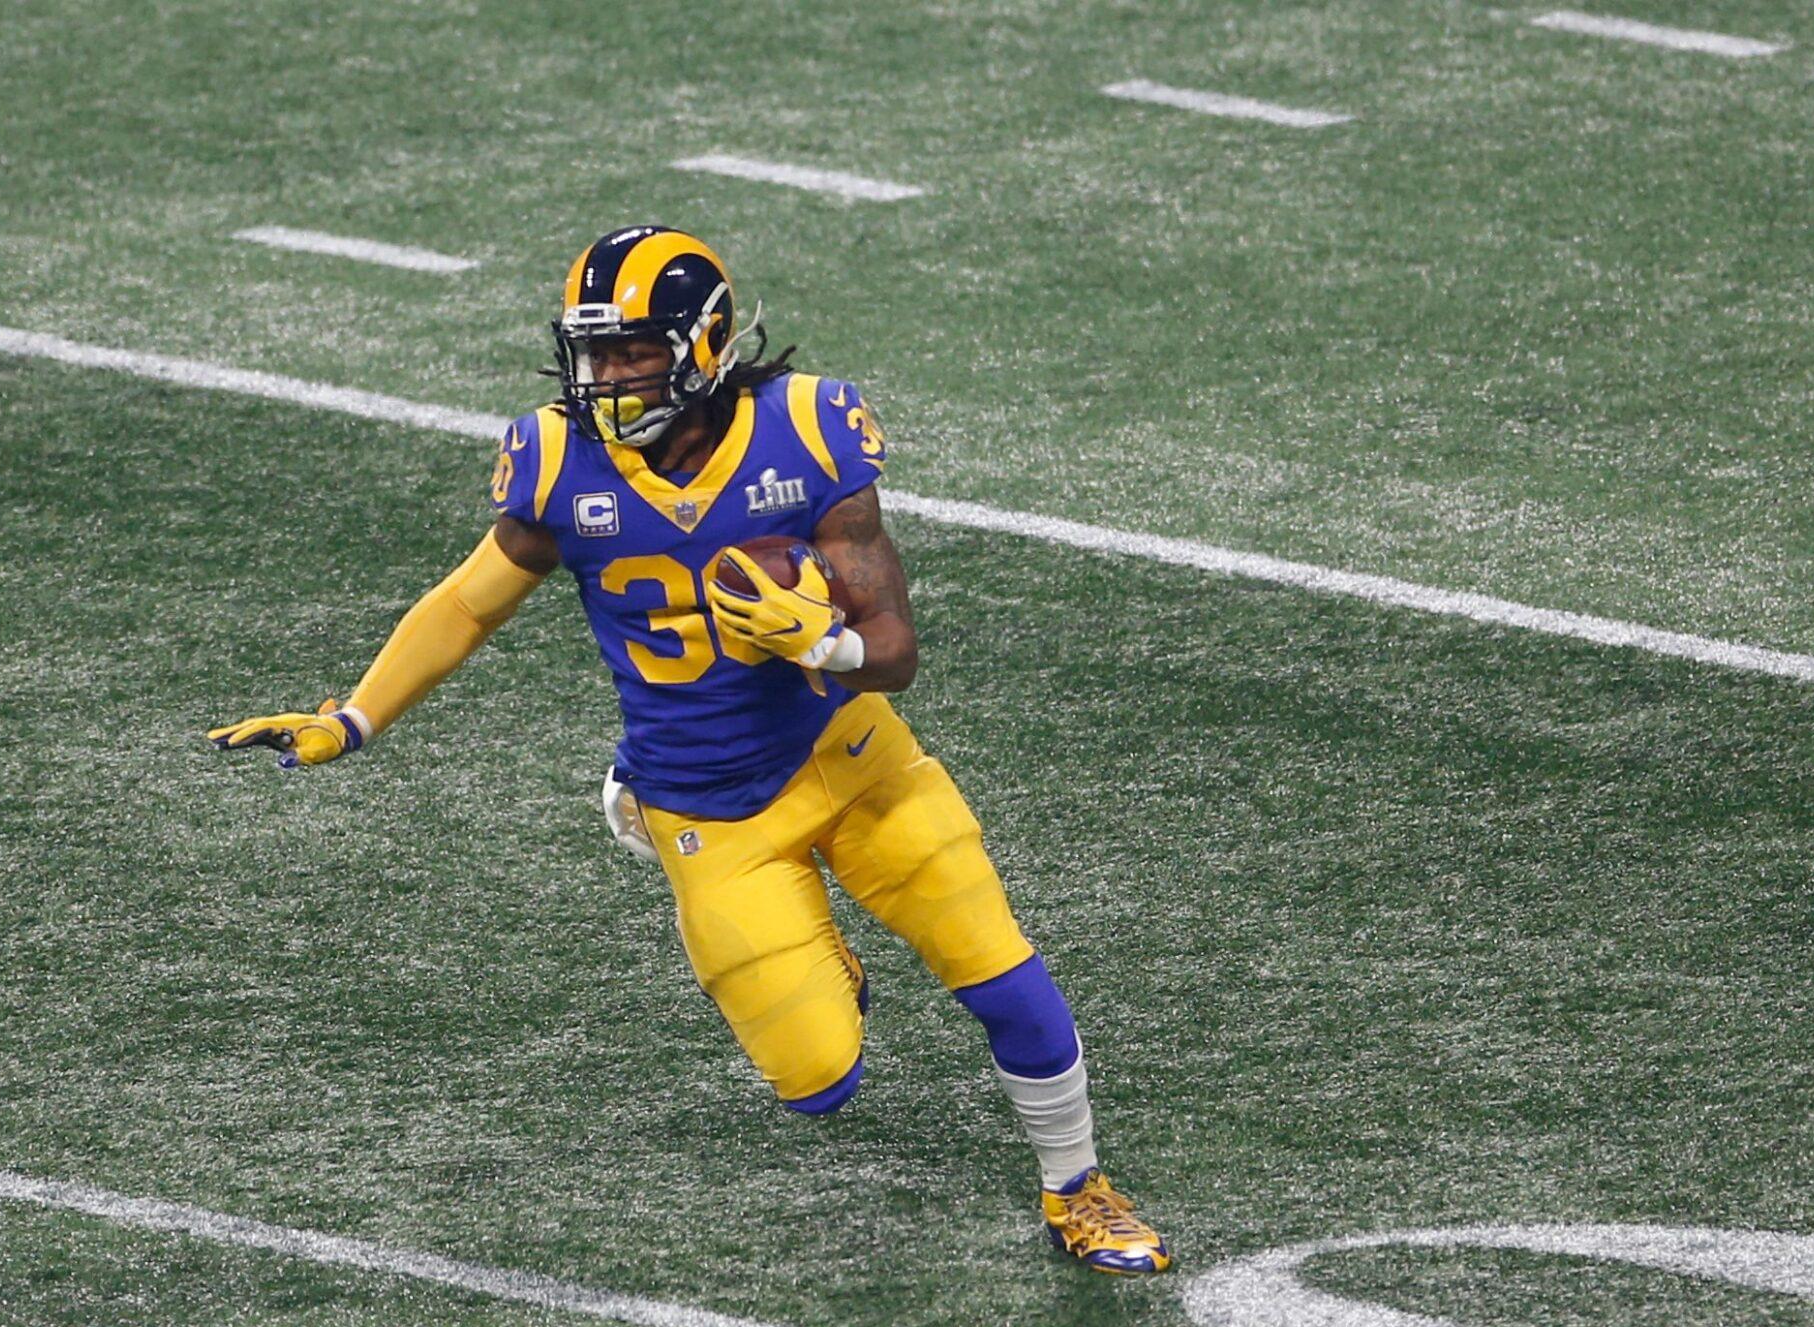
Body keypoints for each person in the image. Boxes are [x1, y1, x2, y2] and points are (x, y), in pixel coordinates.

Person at [209, 226, 1168, 1274]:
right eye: (593, 354)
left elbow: (895, 652)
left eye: (632, 352)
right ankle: (761, 904)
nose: (607, 378)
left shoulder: (805, 430)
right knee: (818, 1082)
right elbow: (468, 604)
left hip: (851, 759)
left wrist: (828, 643)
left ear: (704, 343)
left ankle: (1078, 1187)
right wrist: (354, 717)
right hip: (705, 804)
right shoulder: (556, 459)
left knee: (996, 968)